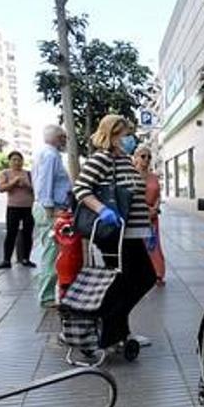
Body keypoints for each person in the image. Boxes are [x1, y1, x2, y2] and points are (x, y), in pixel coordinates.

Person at [73, 114, 156, 354]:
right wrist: (103, 210)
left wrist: (147, 230)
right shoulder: (102, 159)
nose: (131, 138)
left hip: (133, 233)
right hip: (118, 236)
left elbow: (134, 196)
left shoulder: (125, 160)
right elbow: (81, 188)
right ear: (112, 135)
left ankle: (118, 331)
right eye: (126, 134)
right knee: (142, 279)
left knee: (126, 282)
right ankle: (109, 326)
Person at [32, 125, 74, 307]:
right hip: (50, 209)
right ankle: (47, 296)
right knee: (51, 252)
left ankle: (47, 293)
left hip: (51, 208)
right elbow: (44, 183)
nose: (65, 140)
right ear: (55, 138)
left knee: (50, 251)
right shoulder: (50, 155)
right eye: (63, 137)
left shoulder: (46, 154)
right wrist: (51, 210)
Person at [132, 144, 165, 285]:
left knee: (154, 244)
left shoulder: (153, 176)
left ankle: (158, 274)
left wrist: (155, 209)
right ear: (136, 158)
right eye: (143, 156)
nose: (147, 159)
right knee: (140, 246)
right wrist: (146, 209)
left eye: (149, 157)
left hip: (153, 217)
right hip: (138, 216)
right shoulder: (132, 176)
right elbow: (132, 196)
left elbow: (158, 194)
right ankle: (141, 275)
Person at [0, 151, 36, 269]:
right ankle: (6, 260)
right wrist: (13, 182)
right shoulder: (5, 173)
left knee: (28, 233)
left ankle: (26, 258)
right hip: (13, 207)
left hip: (28, 207)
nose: (17, 162)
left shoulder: (28, 174)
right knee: (11, 233)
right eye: (14, 159)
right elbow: (1, 188)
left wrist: (25, 184)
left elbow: (36, 189)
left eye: (19, 160)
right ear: (9, 161)